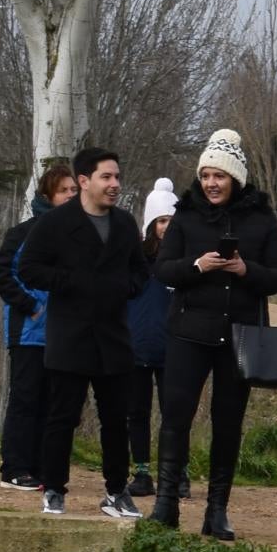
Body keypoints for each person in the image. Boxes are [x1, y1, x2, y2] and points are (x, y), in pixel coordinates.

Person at [148, 129, 277, 540]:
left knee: (228, 423)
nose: (211, 183)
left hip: (238, 336)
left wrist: (247, 271)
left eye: (220, 176)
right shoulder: (186, 214)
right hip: (187, 334)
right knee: (176, 417)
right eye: (206, 175)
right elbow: (162, 269)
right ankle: (166, 506)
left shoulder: (262, 219)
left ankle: (217, 511)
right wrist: (197, 267)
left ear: (235, 178)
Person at [17, 148, 154, 519]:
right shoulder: (56, 224)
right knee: (62, 417)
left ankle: (116, 491)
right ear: (83, 181)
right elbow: (29, 268)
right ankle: (55, 490)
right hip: (69, 336)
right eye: (106, 177)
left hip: (114, 338)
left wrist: (125, 287)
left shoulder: (125, 224)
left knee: (115, 420)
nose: (115, 185)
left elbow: (141, 271)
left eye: (117, 177)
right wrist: (70, 282)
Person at [0, 164, 75, 489]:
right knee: (25, 399)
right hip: (27, 333)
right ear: (48, 194)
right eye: (64, 190)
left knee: (53, 404)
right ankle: (14, 468)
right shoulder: (23, 233)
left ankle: (39, 468)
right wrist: (30, 305)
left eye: (74, 190)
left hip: (63, 335)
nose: (70, 196)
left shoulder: (78, 236)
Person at [123, 211, 172, 499]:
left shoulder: (184, 261)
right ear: (152, 225)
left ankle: (176, 473)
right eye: (161, 221)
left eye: (171, 221)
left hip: (174, 349)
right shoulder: (134, 259)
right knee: (137, 413)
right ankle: (141, 472)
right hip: (136, 346)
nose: (166, 227)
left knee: (174, 415)